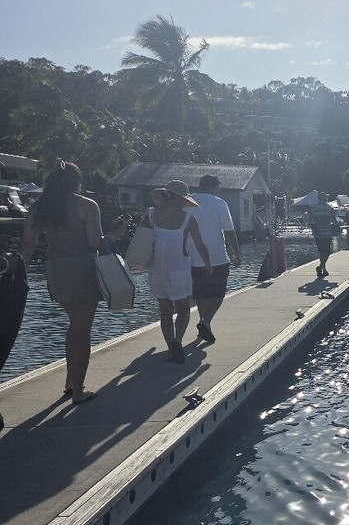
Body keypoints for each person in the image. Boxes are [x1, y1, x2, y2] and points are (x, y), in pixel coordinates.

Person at [17, 160, 127, 404]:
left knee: (73, 327)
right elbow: (94, 243)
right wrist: (114, 235)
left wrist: (16, 272)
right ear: (76, 182)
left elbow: (28, 244)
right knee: (81, 331)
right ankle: (78, 391)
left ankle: (70, 381)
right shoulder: (87, 205)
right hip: (82, 269)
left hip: (56, 269)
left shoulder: (39, 207)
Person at [144, 180, 211, 364]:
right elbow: (200, 245)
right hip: (178, 268)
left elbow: (143, 240)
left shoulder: (150, 215)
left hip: (156, 269)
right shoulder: (188, 219)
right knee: (183, 310)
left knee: (165, 310)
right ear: (178, 198)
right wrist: (208, 265)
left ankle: (171, 350)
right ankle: (178, 340)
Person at [188, 174, 240, 345]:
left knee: (201, 293)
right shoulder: (219, 203)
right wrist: (236, 253)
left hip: (194, 257)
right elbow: (229, 231)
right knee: (218, 293)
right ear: (212, 187)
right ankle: (206, 322)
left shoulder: (187, 201)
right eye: (218, 188)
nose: (218, 191)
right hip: (217, 256)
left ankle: (204, 321)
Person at [307, 192, 338, 278]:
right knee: (327, 252)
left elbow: (309, 219)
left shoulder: (313, 208)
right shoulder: (329, 209)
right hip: (327, 232)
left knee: (322, 252)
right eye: (326, 197)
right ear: (324, 198)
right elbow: (334, 221)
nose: (327, 198)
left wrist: (312, 224)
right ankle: (322, 268)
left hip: (317, 233)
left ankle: (322, 268)